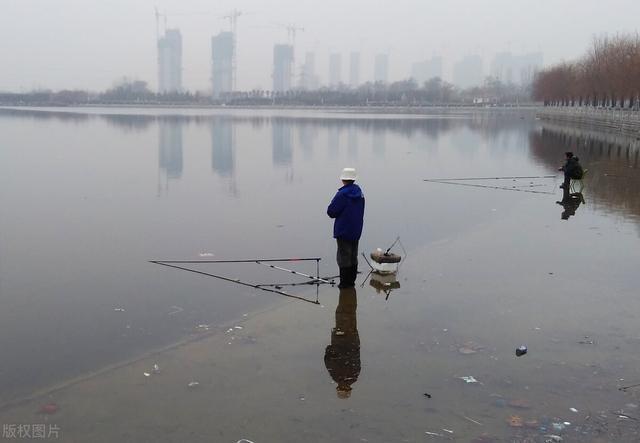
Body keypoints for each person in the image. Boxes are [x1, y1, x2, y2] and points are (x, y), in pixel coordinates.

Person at [327, 167, 365, 289]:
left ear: (343, 179)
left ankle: (344, 284)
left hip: (343, 231)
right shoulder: (360, 193)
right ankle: (351, 282)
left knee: (344, 257)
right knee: (353, 256)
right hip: (356, 230)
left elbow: (331, 212)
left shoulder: (342, 194)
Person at [324, 287, 360, 399]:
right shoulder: (350, 377)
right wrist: (329, 349)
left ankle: (346, 293)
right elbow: (328, 360)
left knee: (346, 314)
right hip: (344, 340)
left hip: (349, 339)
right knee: (344, 315)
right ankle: (346, 293)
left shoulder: (341, 376)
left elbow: (356, 357)